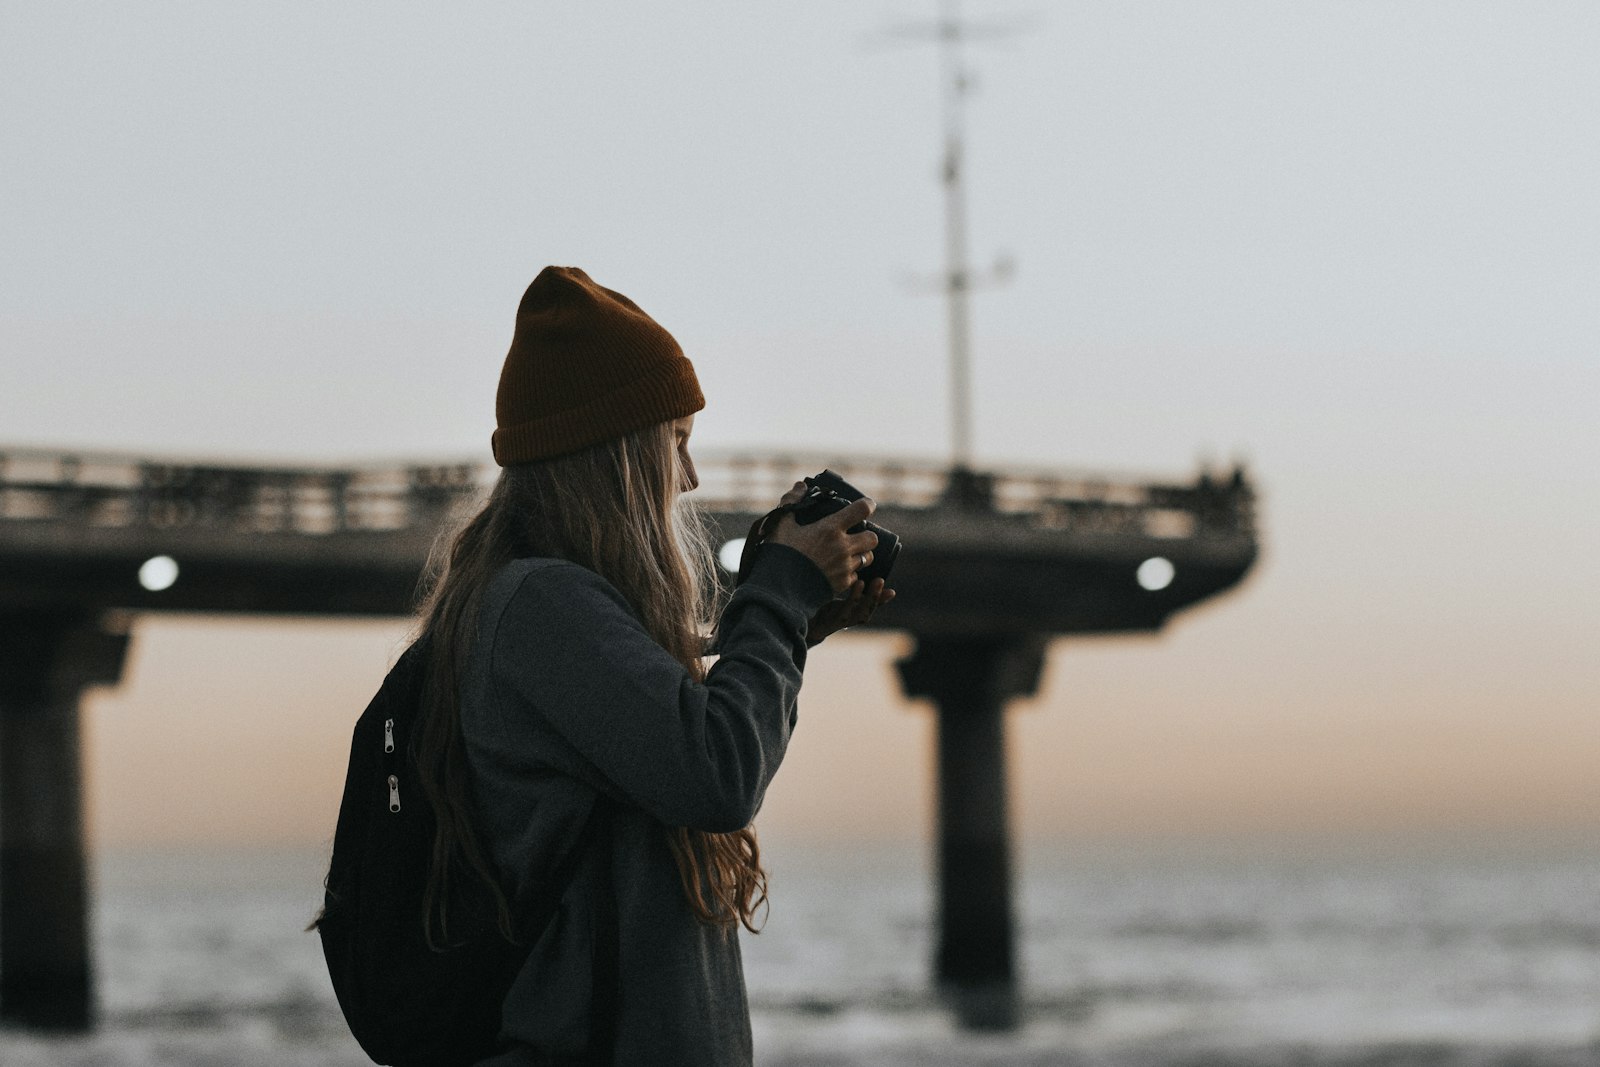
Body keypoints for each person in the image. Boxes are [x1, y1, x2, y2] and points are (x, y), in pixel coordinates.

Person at [408, 266, 894, 1066]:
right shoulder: (541, 606)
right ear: (618, 455)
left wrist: (789, 626)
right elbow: (715, 770)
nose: (692, 478)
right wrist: (774, 601)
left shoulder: (545, 609)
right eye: (677, 444)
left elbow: (673, 743)